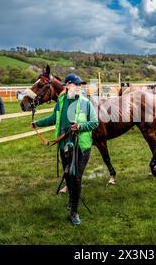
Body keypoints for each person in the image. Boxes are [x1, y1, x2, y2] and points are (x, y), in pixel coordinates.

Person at [32, 74, 98, 225]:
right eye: (77, 85)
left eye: (81, 85)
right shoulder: (61, 101)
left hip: (81, 146)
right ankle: (71, 200)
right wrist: (38, 123)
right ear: (68, 85)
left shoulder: (85, 102)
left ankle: (74, 212)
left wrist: (80, 126)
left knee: (76, 178)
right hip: (64, 146)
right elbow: (53, 118)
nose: (79, 88)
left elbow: (94, 122)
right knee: (67, 175)